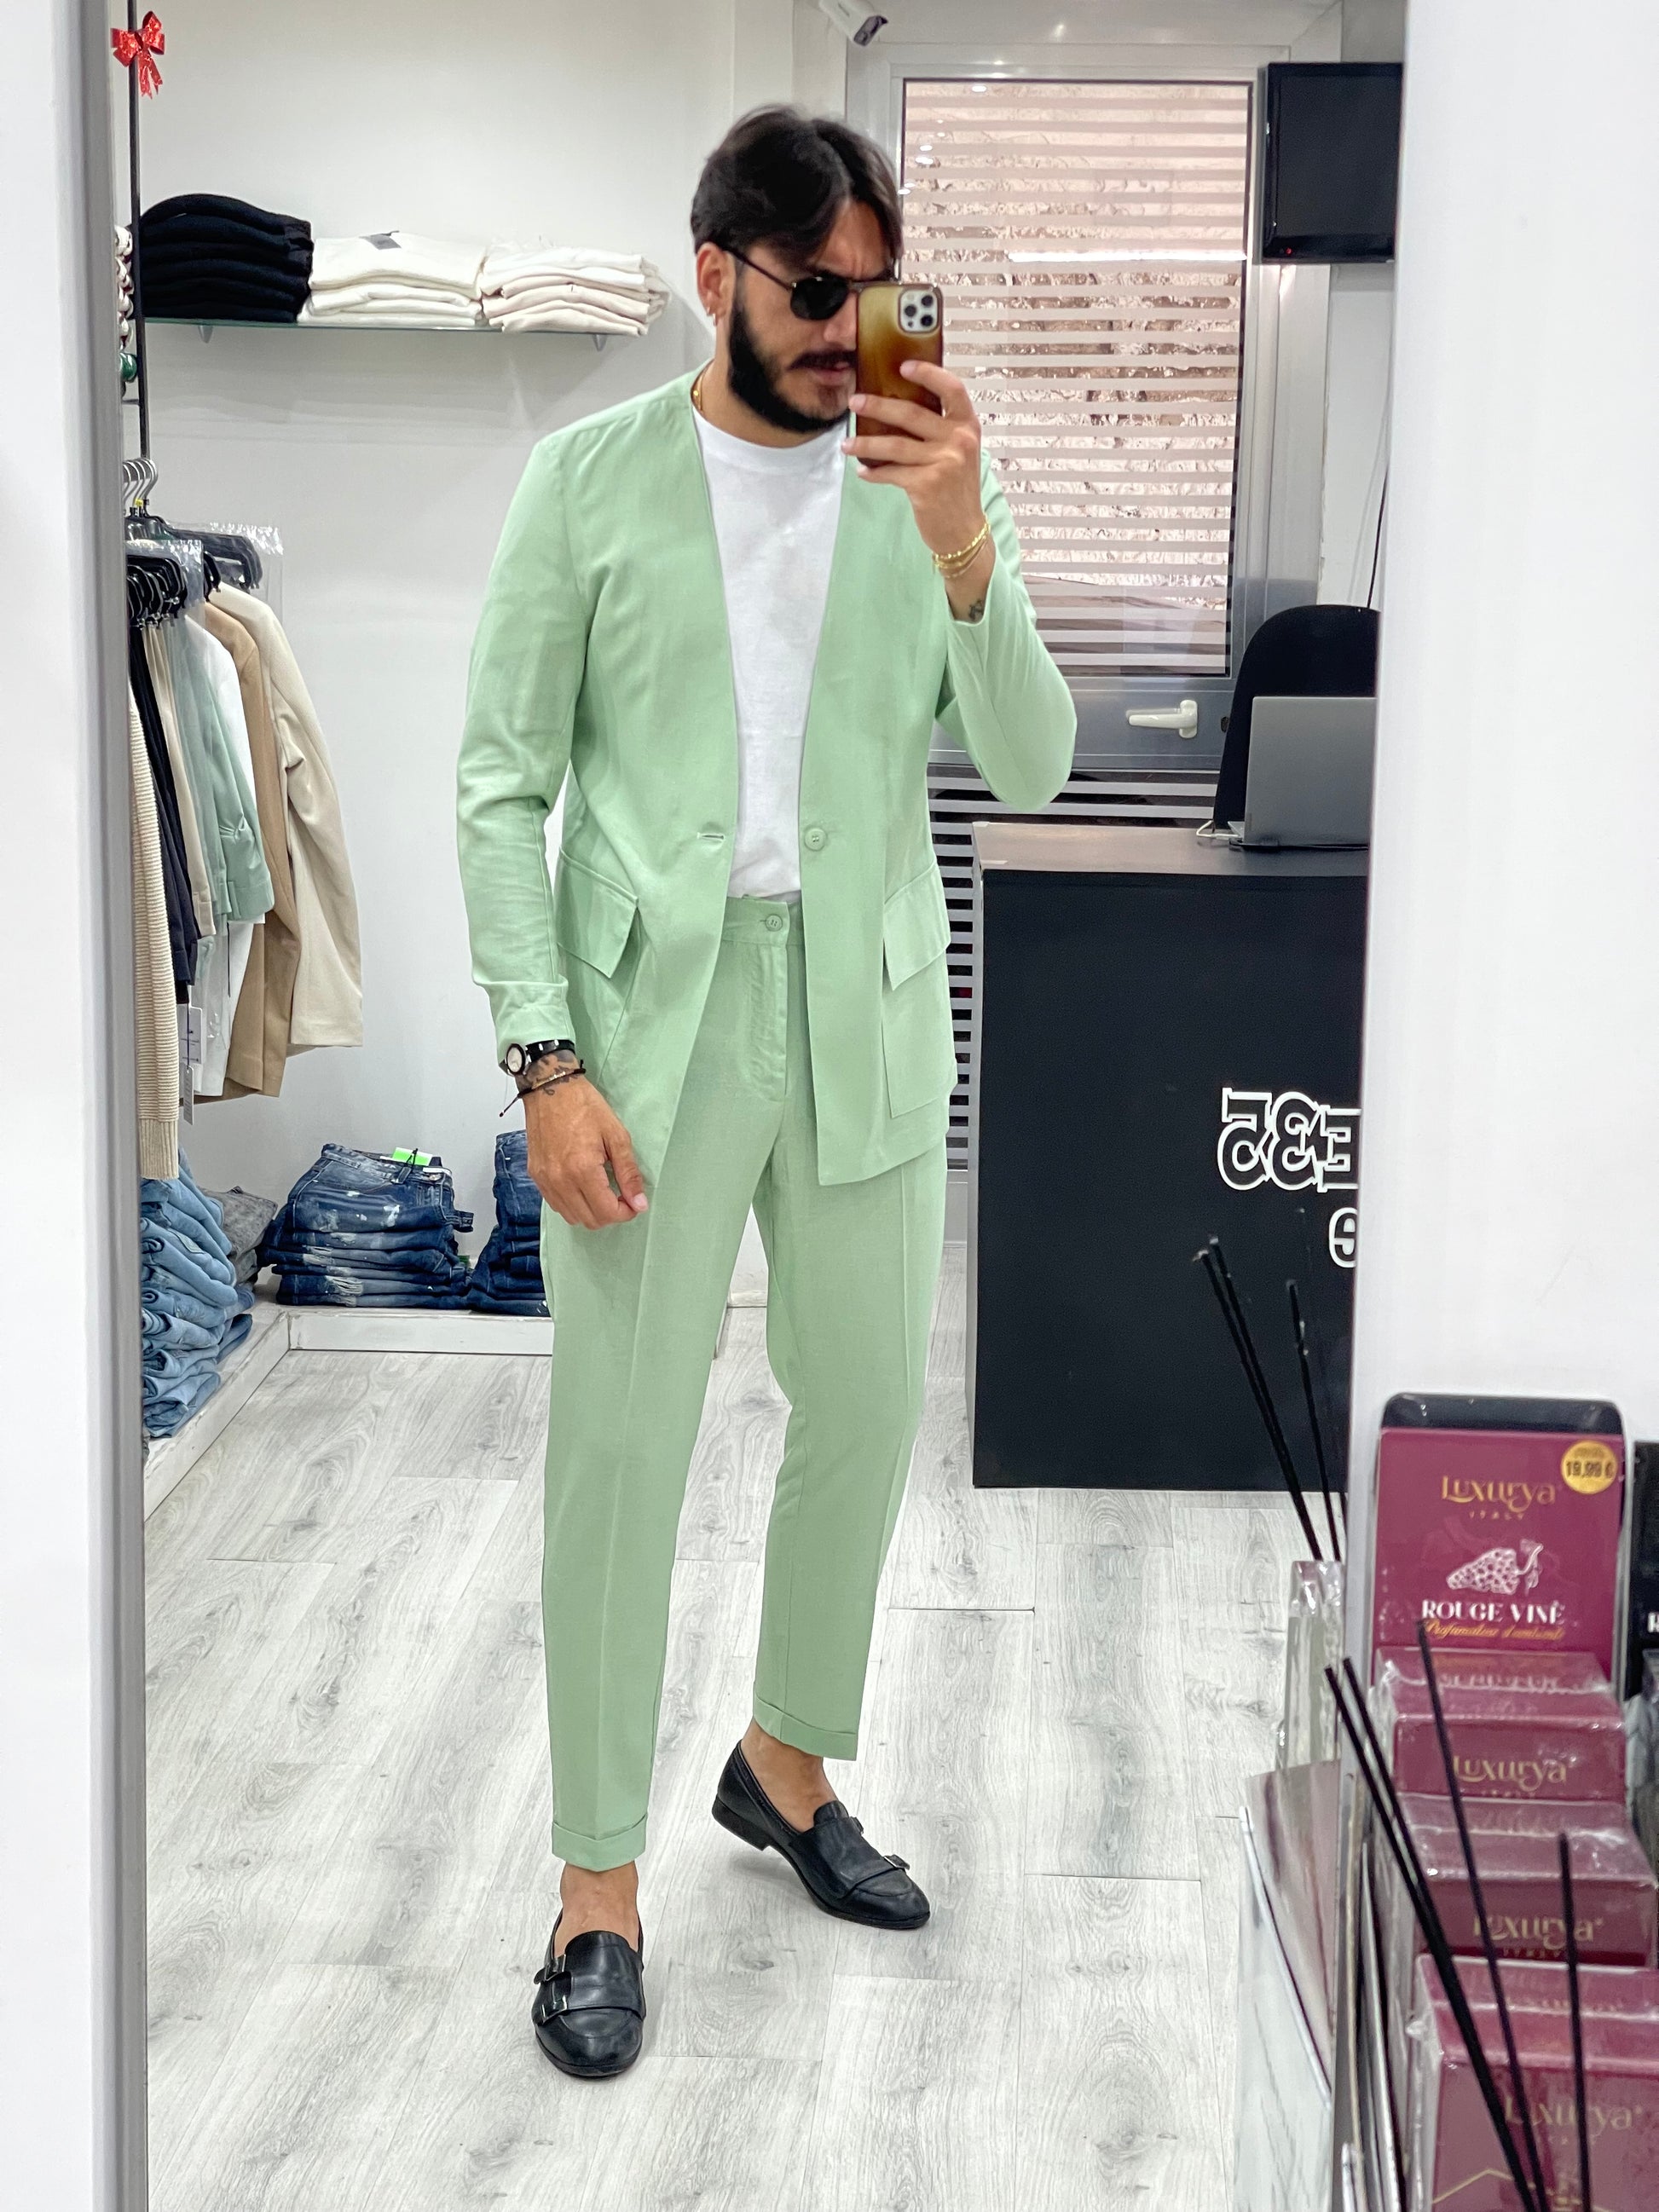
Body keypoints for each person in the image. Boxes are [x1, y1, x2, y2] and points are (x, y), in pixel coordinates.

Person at [456, 105, 1075, 2079]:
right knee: (622, 1452)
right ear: (713, 268)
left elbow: (1035, 763)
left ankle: (786, 1762)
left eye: (880, 295)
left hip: (868, 1005)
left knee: (869, 1404)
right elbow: (499, 785)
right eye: (817, 291)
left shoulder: (922, 478)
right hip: (647, 1028)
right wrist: (544, 1057)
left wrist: (966, 536)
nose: (849, 333)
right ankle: (596, 1882)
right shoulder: (585, 483)